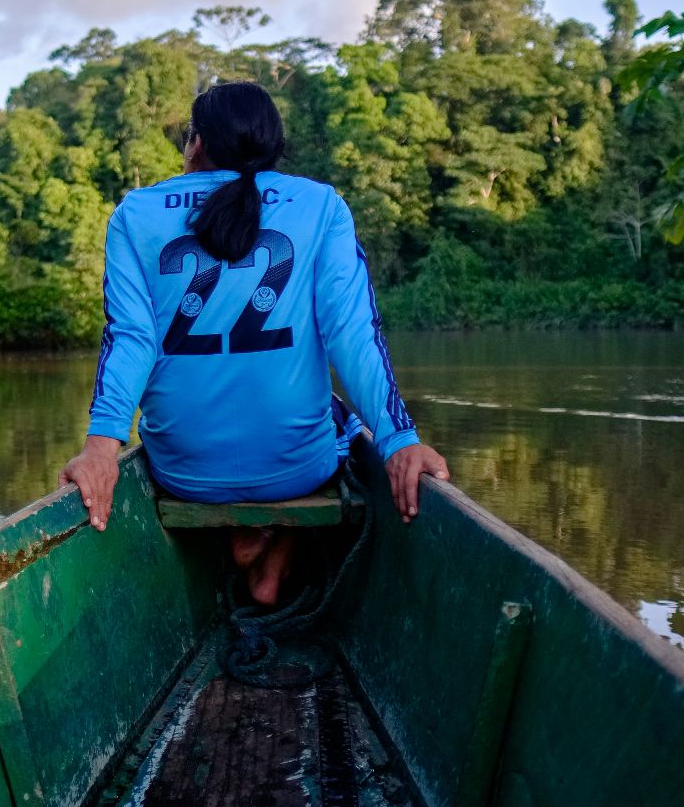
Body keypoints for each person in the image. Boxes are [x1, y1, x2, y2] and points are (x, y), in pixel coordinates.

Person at [58, 80, 447, 605]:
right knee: (342, 421)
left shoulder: (134, 213)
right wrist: (400, 441)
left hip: (183, 471)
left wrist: (101, 448)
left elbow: (131, 339)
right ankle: (275, 547)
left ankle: (245, 539)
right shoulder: (321, 205)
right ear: (272, 144)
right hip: (296, 467)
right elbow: (351, 334)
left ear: (196, 144)